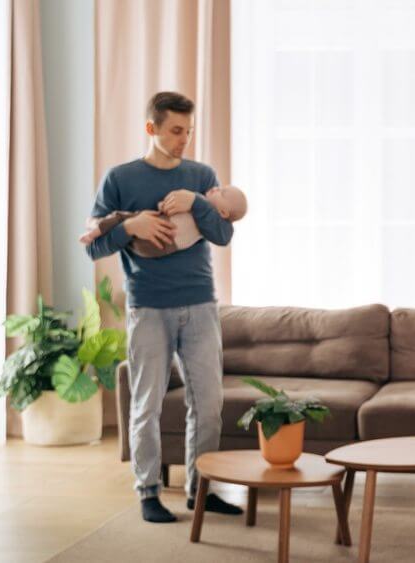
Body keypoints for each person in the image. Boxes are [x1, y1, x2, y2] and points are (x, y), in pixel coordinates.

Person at [85, 91, 243, 523]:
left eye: (189, 131)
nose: (184, 139)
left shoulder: (201, 175)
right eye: (176, 131)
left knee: (208, 404)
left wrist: (195, 202)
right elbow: (94, 243)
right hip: (148, 307)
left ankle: (200, 490)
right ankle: (148, 492)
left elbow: (223, 236)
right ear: (151, 128)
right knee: (147, 405)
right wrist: (131, 225)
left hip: (200, 305)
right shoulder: (120, 178)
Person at [80, 185, 248, 258]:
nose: (217, 188)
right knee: (122, 219)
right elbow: (170, 207)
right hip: (156, 239)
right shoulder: (203, 208)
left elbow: (224, 236)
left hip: (161, 242)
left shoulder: (214, 221)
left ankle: (96, 227)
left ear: (224, 212)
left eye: (223, 192)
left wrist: (195, 200)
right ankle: (96, 228)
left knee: (119, 218)